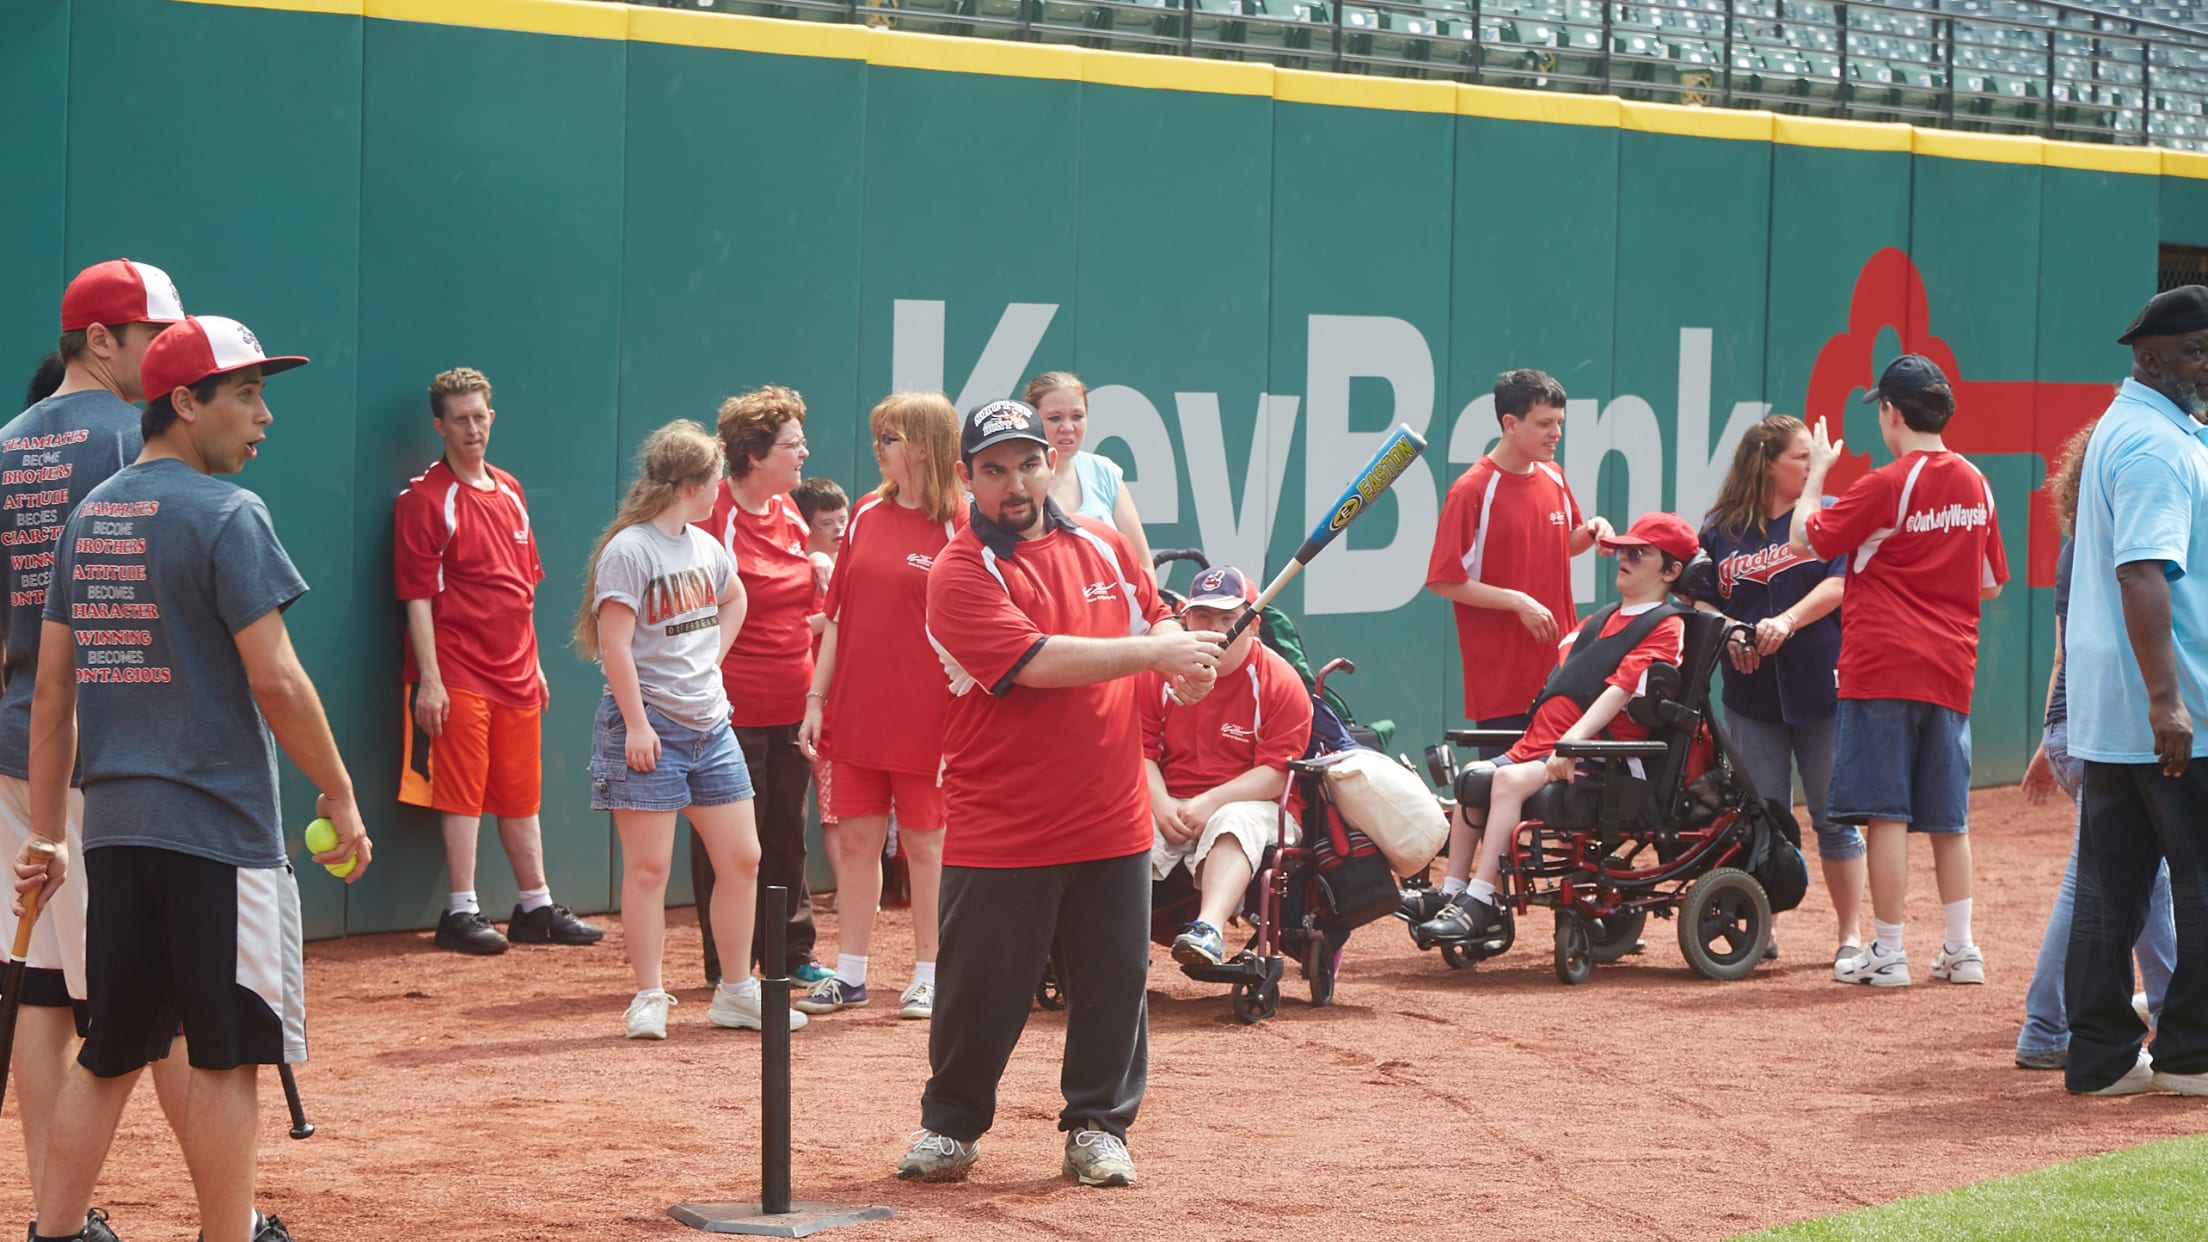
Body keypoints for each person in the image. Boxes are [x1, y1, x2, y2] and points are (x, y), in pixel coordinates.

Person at [15, 314, 374, 1242]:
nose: (264, 417)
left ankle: (49, 1235)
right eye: (246, 394)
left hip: (116, 830)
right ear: (185, 402)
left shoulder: (88, 515)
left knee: (109, 1053)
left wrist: (49, 836)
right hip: (219, 834)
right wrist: (337, 789)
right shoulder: (229, 514)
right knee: (225, 1059)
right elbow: (278, 678)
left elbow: (50, 697)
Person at [896, 399, 1221, 1188]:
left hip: (1111, 817)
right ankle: (952, 1125)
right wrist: (1154, 649)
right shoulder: (959, 570)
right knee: (982, 994)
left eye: (1028, 462)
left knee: (1113, 989)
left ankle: (1098, 1127)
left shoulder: (1106, 546)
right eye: (995, 468)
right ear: (967, 477)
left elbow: (1158, 641)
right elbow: (1036, 662)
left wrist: (1187, 673)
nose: (1015, 482)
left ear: (1051, 462)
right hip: (1002, 822)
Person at [0, 259, 187, 1242]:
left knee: (37, 985)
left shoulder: (5, 447)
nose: (170, 356)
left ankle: (55, 1214)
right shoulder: (141, 442)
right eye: (155, 335)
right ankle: (218, 1216)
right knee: (160, 995)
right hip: (110, 756)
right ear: (100, 339)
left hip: (17, 746)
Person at [576, 420, 805, 1040]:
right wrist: (636, 725)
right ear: (692, 484)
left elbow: (735, 600)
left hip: (710, 725)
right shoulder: (631, 548)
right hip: (650, 724)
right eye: (714, 479)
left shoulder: (707, 547)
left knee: (744, 857)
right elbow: (614, 645)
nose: (719, 490)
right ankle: (649, 995)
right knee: (649, 869)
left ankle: (735, 992)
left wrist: (711, 660)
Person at [1788, 354, 2007, 988]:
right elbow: (1989, 586)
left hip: (1883, 665)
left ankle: (1887, 952)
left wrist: (1818, 476)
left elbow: (1807, 539)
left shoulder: (1887, 482)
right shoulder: (1976, 481)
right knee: (1948, 817)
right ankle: (1961, 949)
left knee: (1886, 813)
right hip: (1950, 667)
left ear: (1891, 412)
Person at [395, 366, 600, 955]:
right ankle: (460, 910)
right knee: (461, 792)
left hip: (516, 669)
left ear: (492, 417)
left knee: (520, 792)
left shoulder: (509, 489)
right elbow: (416, 595)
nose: (472, 428)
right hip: (456, 669)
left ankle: (534, 905)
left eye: (479, 416)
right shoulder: (425, 499)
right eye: (459, 419)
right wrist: (428, 682)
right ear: (439, 425)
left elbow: (522, 587)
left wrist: (533, 662)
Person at [1415, 513, 1693, 945]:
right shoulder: (1599, 620)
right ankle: (1451, 894)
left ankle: (1483, 901)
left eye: (1639, 553)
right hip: (1543, 746)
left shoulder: (1666, 626)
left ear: (1672, 571)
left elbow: (1618, 693)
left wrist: (1570, 745)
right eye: (1622, 549)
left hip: (1602, 759)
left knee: (1504, 780)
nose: (1624, 558)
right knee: (1473, 779)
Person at [2061, 285, 2208, 1096]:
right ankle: (2191, 1054)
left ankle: (2103, 1056)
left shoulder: (2134, 429)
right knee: (2198, 882)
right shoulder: (2154, 444)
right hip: (2174, 709)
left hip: (2115, 709)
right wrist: (2168, 700)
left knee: (2110, 889)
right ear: (2151, 358)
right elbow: (2142, 572)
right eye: (2197, 352)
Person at [796, 394, 966, 1022]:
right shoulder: (865, 512)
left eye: (889, 437)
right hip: (858, 710)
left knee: (926, 848)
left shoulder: (962, 525)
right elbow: (836, 617)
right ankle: (850, 975)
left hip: (931, 718)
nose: (878, 447)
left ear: (923, 446)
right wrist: (816, 698)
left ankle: (929, 974)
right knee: (860, 842)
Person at [2017, 418, 2175, 1072]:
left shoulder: (2081, 539)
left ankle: (2048, 1024)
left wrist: (2047, 738)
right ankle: (2166, 1014)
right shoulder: (2109, 541)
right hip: (2102, 729)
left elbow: (2064, 650)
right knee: (2142, 880)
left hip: (2078, 727)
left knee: (2109, 880)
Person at [1696, 414, 1855, 962]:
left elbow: (1839, 583)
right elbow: (1698, 598)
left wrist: (1786, 621)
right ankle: (1758, 930)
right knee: (1757, 819)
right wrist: (1730, 631)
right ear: (1767, 462)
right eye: (1801, 457)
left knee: (1834, 816)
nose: (1812, 465)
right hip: (1750, 693)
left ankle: (1849, 936)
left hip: (1820, 687)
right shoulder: (1720, 529)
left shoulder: (1825, 517)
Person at [694, 387, 828, 988]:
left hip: (791, 705)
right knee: (731, 841)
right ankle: (729, 964)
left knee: (785, 835)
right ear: (753, 453)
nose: (804, 453)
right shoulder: (712, 515)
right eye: (792, 444)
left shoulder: (792, 513)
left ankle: (791, 954)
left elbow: (805, 611)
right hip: (729, 708)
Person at [1427, 369, 1612, 748]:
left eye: (1559, 423)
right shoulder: (1471, 490)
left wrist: (1593, 530)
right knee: (1502, 793)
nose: (1556, 434)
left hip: (1562, 669)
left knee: (1560, 794)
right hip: (1503, 683)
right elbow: (1443, 579)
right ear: (1509, 424)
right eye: (1545, 424)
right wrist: (1518, 601)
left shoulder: (1554, 475)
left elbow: (1566, 542)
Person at [1147, 566, 1315, 968]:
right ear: (1184, 618)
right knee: (1124, 825)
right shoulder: (1159, 674)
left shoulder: (1279, 680)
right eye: (1204, 617)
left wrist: (1210, 801)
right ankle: (1112, 938)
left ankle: (1208, 930)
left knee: (1233, 820)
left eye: (1228, 619)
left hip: (1256, 804)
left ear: (1252, 625)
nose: (1216, 629)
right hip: (1171, 801)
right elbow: (1140, 752)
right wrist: (1161, 804)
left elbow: (1277, 772)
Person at [1025, 371, 1155, 573]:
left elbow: (1143, 566)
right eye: (1054, 418)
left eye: (1077, 416)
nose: (1067, 427)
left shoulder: (1105, 472)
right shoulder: (1012, 480)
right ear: (1032, 421)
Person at [790, 475, 849, 900]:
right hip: (802, 706)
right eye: (827, 523)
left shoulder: (851, 564)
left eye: (842, 520)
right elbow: (788, 627)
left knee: (841, 812)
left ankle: (853, 893)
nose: (839, 530)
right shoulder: (796, 571)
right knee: (829, 814)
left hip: (843, 708)